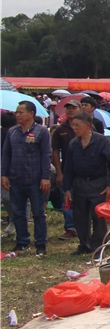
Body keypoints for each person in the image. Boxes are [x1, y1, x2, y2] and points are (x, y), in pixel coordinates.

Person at [1, 101, 52, 256]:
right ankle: (22, 242)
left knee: (38, 213)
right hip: (16, 179)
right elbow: (6, 154)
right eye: (17, 112)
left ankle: (40, 243)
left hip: (35, 180)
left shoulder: (41, 132)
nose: (17, 115)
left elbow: (46, 155)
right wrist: (3, 174)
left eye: (21, 112)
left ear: (31, 114)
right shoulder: (12, 132)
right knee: (18, 212)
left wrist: (45, 177)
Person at [63, 113, 110, 255]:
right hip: (80, 183)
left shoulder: (101, 141)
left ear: (87, 126)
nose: (74, 128)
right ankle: (84, 244)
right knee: (80, 216)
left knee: (98, 216)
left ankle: (97, 246)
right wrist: (67, 188)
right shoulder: (73, 144)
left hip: (98, 183)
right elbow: (68, 167)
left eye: (77, 125)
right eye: (73, 125)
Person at [50, 99, 80, 241]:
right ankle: (70, 228)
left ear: (79, 110)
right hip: (66, 170)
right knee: (66, 200)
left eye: (73, 108)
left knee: (83, 200)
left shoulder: (88, 127)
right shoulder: (60, 130)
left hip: (85, 171)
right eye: (68, 108)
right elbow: (55, 151)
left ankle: (83, 226)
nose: (70, 110)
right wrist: (59, 172)